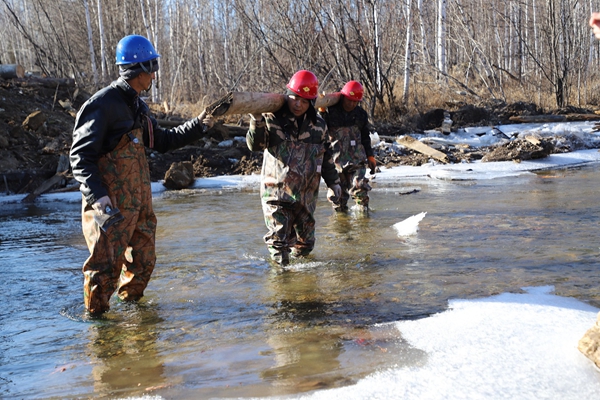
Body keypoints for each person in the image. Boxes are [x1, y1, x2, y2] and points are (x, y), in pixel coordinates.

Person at [70, 34, 214, 314]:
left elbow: (163, 140)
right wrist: (98, 196)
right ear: (140, 70)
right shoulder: (102, 105)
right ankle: (98, 328)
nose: (154, 76)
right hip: (110, 206)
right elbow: (80, 156)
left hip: (139, 207)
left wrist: (200, 125)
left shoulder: (137, 106)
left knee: (144, 262)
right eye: (153, 69)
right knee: (103, 269)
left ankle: (134, 318)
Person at [246, 70, 341, 266]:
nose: (298, 104)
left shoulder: (318, 125)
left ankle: (301, 281)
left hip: (306, 197)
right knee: (279, 245)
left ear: (311, 102)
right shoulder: (272, 119)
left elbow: (326, 157)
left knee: (305, 246)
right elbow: (255, 145)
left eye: (304, 101)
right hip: (277, 194)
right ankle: (281, 282)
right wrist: (256, 120)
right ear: (288, 94)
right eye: (295, 98)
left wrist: (334, 183)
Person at [319, 80, 376, 212]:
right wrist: (321, 111)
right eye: (349, 100)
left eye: (355, 101)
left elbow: (365, 136)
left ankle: (363, 219)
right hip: (336, 162)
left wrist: (370, 156)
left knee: (360, 188)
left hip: (356, 160)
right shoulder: (331, 111)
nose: (351, 104)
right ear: (343, 97)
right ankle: (341, 223)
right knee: (338, 198)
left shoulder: (360, 114)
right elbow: (320, 128)